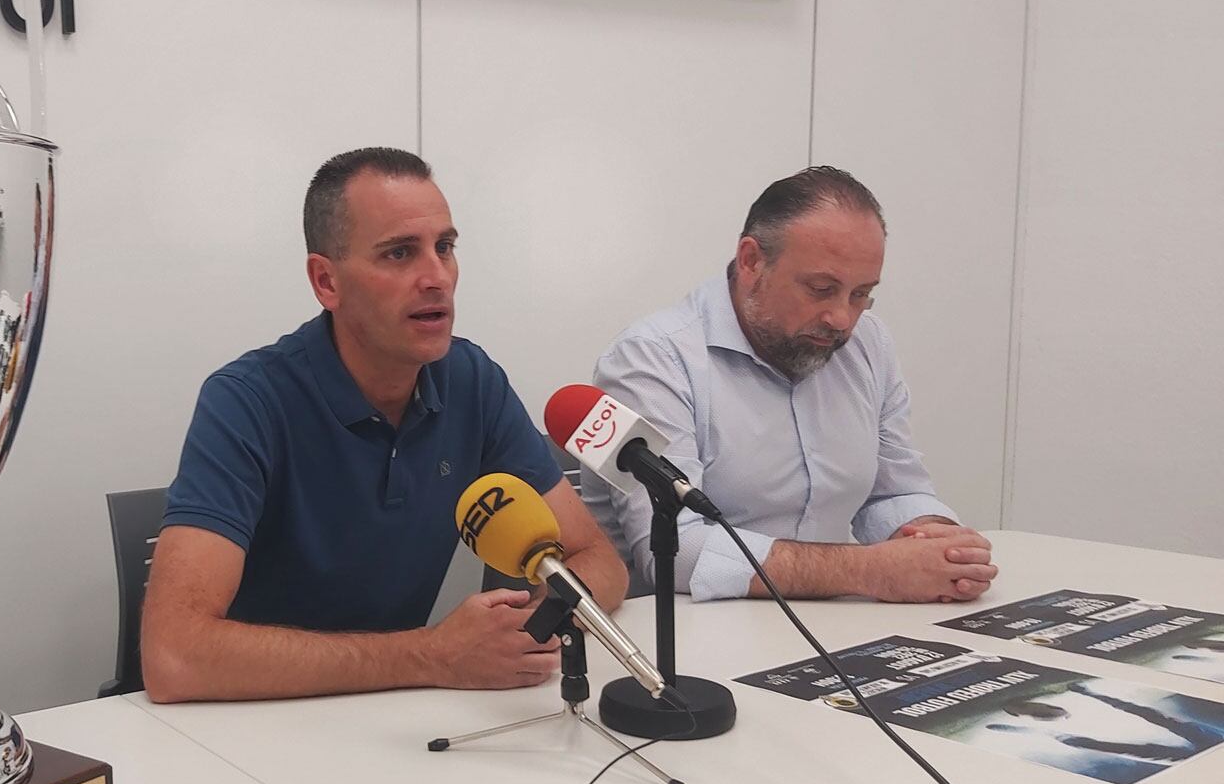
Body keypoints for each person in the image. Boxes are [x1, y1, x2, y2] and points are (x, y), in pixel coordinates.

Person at [141, 147, 626, 703]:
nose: (437, 278)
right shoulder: (246, 401)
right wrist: (431, 655)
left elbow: (598, 562)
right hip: (252, 723)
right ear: (327, 282)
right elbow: (173, 656)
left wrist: (528, 632)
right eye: (399, 254)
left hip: (394, 712)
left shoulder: (471, 379)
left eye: (445, 247)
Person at [586, 166, 996, 603]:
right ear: (751, 261)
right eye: (821, 288)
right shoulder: (646, 359)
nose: (842, 318)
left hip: (828, 624)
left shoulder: (868, 343)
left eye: (861, 294)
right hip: (679, 638)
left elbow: (894, 490)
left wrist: (940, 544)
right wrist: (871, 571)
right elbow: (673, 551)